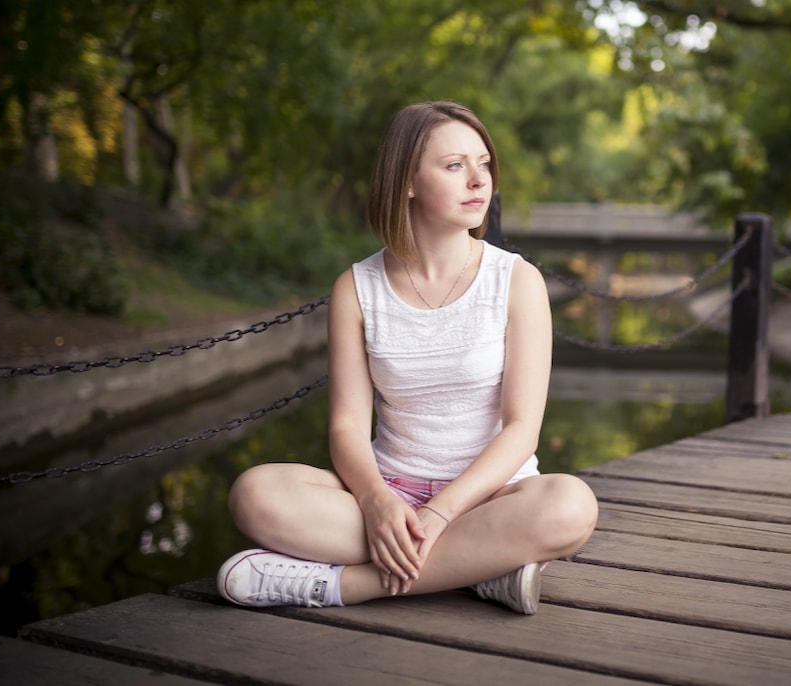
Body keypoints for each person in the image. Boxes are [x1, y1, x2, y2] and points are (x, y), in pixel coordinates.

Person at [215, 100, 598, 615]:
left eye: (483, 164)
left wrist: (440, 515)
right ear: (407, 182)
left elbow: (521, 429)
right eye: (454, 165)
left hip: (492, 499)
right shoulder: (356, 289)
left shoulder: (516, 281)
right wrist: (376, 503)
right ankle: (481, 570)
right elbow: (348, 427)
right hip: (390, 491)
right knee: (255, 493)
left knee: (571, 506)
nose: (478, 181)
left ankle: (342, 586)